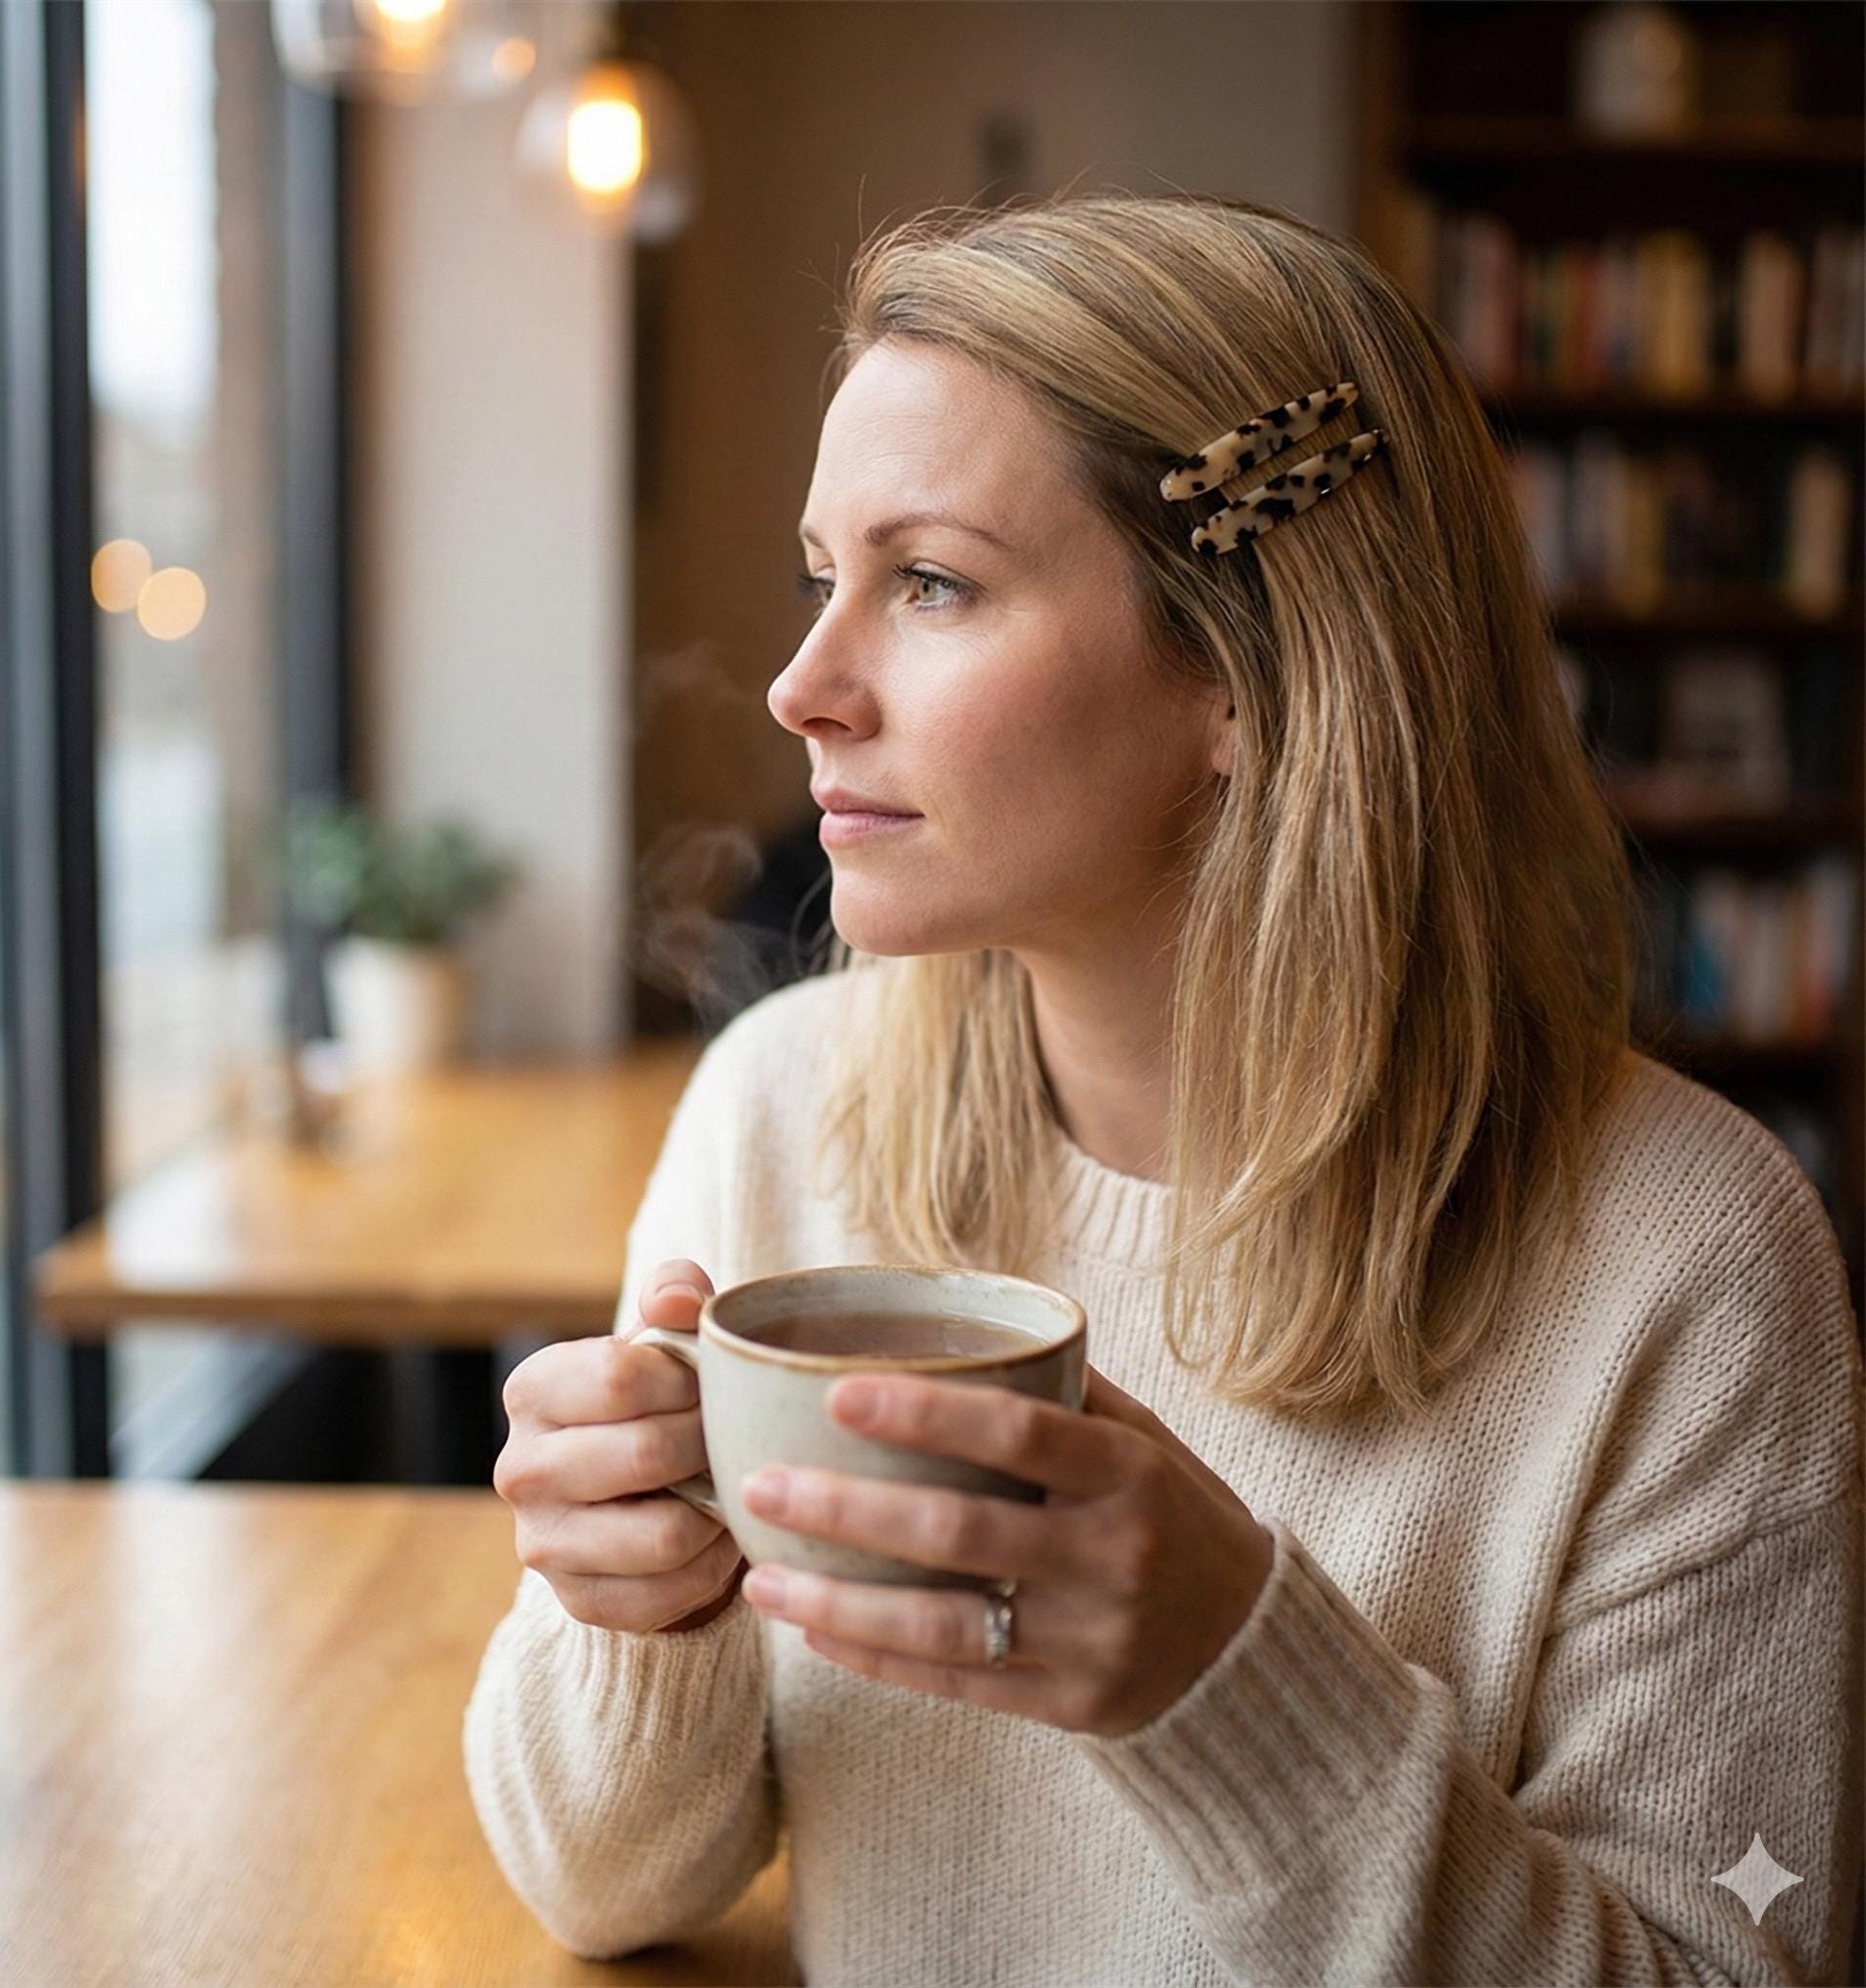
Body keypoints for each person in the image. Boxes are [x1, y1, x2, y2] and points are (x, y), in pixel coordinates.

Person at [464, 192, 1864, 1986]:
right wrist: (633, 1609)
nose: (802, 683)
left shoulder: (1691, 1269)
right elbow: (605, 1887)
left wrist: (1234, 1683)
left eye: (935, 583)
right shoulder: (778, 1114)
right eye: (826, 575)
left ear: (1248, 672)